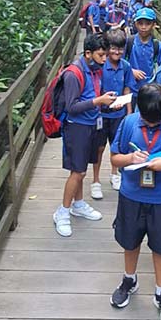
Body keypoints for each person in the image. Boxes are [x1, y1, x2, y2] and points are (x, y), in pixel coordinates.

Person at [109, 83, 161, 320]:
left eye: (156, 121)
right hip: (132, 195)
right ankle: (129, 279)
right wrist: (130, 158)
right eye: (148, 120)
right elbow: (115, 158)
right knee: (129, 241)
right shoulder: (129, 124)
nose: (152, 124)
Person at [53, 34, 117, 237]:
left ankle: (78, 204)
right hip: (76, 127)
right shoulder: (74, 74)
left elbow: (92, 96)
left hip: (91, 124)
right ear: (88, 53)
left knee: (82, 168)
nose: (104, 59)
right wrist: (98, 101)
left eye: (106, 55)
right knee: (77, 172)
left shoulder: (95, 70)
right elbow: (71, 108)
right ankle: (62, 212)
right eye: (101, 55)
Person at [91, 30, 132, 198]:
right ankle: (95, 180)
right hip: (101, 114)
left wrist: (129, 112)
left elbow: (127, 88)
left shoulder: (126, 66)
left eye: (120, 49)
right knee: (99, 148)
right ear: (107, 49)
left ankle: (115, 174)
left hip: (119, 114)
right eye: (114, 48)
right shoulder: (100, 66)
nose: (117, 52)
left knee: (117, 146)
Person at [125, 8, 161, 104]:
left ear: (153, 25)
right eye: (140, 23)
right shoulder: (129, 42)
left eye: (147, 24)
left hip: (149, 90)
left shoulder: (157, 46)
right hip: (130, 88)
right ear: (135, 24)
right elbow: (119, 62)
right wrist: (131, 71)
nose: (143, 27)